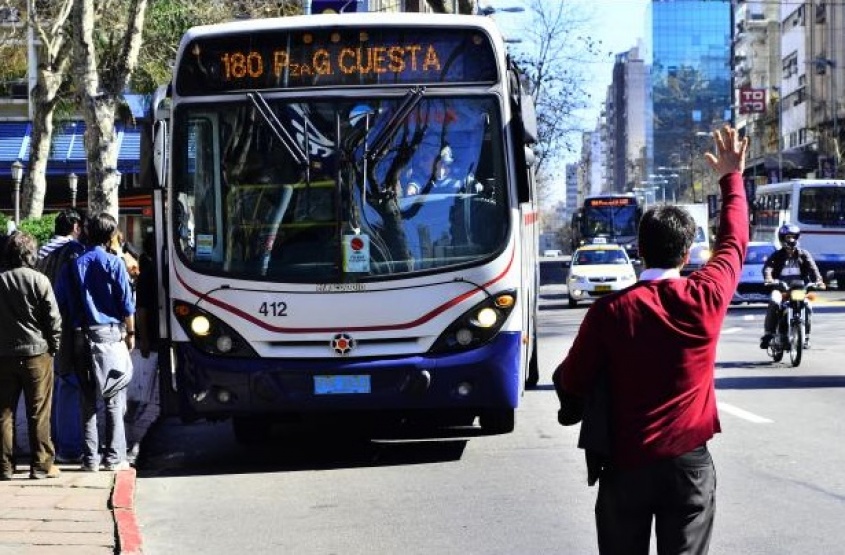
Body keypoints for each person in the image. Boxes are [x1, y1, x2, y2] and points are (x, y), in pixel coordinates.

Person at [552, 125, 749, 555]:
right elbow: (734, 242)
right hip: (688, 466)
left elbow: (574, 378)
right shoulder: (706, 296)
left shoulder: (609, 311)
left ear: (640, 249)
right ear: (687, 253)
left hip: (626, 466)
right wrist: (732, 178)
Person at [54, 212, 136, 472]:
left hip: (80, 334)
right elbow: (126, 305)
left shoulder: (72, 265)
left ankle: (89, 459)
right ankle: (113, 458)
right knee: (113, 397)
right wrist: (131, 334)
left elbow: (61, 303)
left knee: (86, 399)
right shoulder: (114, 263)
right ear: (111, 235)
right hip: (110, 334)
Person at [0, 231, 63, 480]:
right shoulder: (40, 280)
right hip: (38, 353)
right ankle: (41, 465)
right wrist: (54, 346)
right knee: (39, 412)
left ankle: (4, 466)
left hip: (3, 354)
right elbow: (53, 319)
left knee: (4, 412)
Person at [36, 210, 87, 463]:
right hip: (65, 326)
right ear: (76, 226)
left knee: (53, 386)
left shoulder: (41, 252)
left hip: (40, 328)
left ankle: (55, 441)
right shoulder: (73, 251)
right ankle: (69, 447)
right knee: (69, 384)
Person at [759, 223, 825, 350]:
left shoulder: (804, 254)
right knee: (774, 301)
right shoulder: (777, 255)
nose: (791, 240)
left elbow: (813, 268)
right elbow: (768, 267)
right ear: (782, 238)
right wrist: (769, 279)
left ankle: (805, 337)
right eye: (788, 237)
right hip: (781, 288)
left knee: (808, 306)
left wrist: (818, 280)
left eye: (793, 237)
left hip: (799, 289)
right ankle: (768, 334)